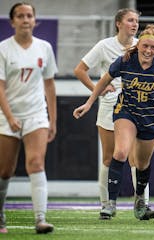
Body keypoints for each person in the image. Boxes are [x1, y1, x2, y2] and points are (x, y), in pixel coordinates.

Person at [73, 24, 154, 220]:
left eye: (153, 47)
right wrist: (89, 102)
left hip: (151, 118)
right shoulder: (125, 60)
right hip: (127, 112)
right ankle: (110, 204)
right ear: (138, 45)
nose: (148, 51)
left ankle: (140, 200)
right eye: (145, 46)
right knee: (120, 152)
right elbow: (104, 80)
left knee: (142, 165)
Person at [0, 2, 57, 234]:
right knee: (5, 171)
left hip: (36, 114)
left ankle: (40, 219)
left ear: (35, 20)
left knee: (35, 162)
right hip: (7, 115)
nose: (25, 19)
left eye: (29, 15)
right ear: (12, 22)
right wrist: (10, 116)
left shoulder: (44, 47)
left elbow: (50, 84)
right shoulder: (3, 49)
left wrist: (53, 120)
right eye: (20, 16)